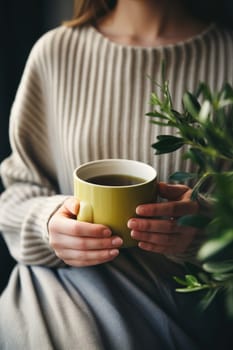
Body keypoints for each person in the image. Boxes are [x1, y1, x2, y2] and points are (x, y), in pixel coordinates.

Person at [0, 0, 233, 349]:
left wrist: (206, 230)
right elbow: (16, 193)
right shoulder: (56, 53)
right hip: (53, 293)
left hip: (174, 315)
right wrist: (47, 225)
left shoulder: (226, 59)